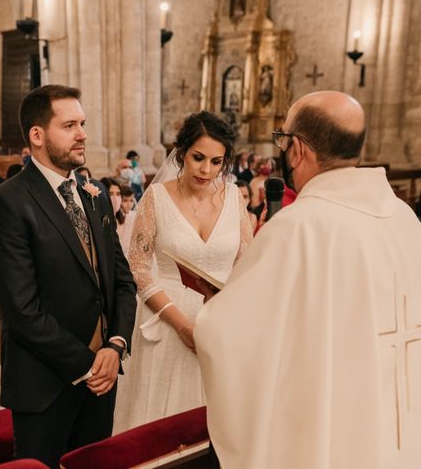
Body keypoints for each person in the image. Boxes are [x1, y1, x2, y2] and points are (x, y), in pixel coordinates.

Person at [195, 91, 421, 469]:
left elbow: (227, 336)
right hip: (398, 417)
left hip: (330, 428)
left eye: (283, 141)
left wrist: (211, 310)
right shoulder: (405, 218)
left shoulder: (297, 226)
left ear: (296, 149)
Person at [0, 85, 136, 468]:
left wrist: (114, 346)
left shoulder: (94, 192)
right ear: (37, 135)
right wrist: (88, 363)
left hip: (102, 379)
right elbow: (22, 310)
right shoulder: (7, 203)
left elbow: (121, 280)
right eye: (69, 125)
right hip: (45, 383)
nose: (82, 133)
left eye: (82, 123)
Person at [113, 111, 253, 434]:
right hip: (167, 319)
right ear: (182, 153)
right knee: (160, 422)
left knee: (214, 426)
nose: (206, 170)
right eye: (198, 158)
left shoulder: (233, 198)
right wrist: (181, 325)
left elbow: (246, 265)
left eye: (216, 162)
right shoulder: (156, 197)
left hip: (220, 323)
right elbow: (138, 268)